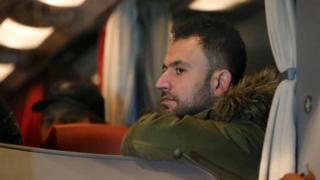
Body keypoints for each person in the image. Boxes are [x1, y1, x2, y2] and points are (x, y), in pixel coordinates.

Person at [121, 14, 280, 179]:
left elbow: (143, 135)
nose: (161, 83)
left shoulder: (248, 137)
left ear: (219, 82)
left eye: (179, 70)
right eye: (164, 70)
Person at [32, 81, 106, 143]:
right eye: (49, 121)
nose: (53, 129)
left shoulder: (112, 159)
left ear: (97, 126)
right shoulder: (30, 159)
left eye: (69, 121)